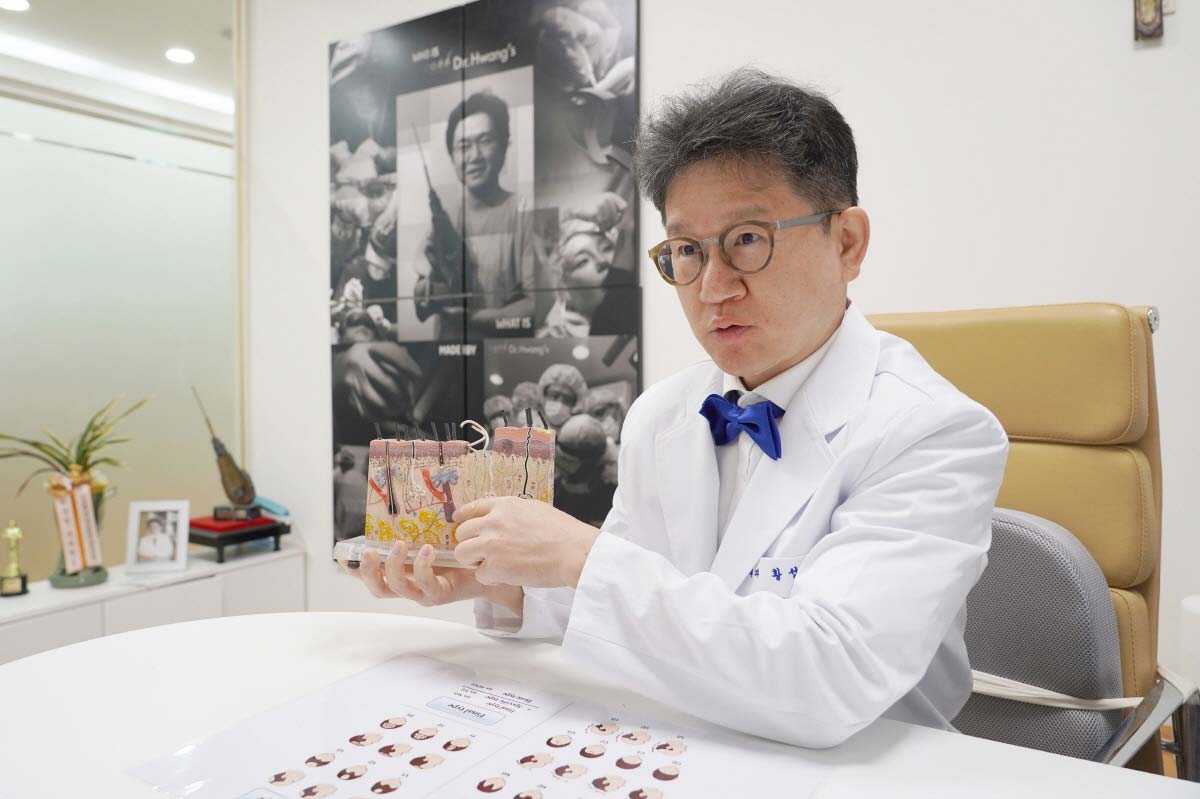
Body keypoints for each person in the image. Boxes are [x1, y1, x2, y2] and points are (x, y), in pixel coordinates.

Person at [345, 69, 1009, 749]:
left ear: (847, 243)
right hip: (688, 743)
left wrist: (580, 555)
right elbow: (641, 602)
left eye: (748, 239)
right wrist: (503, 583)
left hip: (867, 767)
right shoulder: (663, 413)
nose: (713, 287)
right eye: (687, 251)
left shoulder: (935, 431)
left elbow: (826, 678)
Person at [413, 91, 542, 338]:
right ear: (452, 156)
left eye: (485, 141)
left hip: (506, 352)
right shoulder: (445, 218)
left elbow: (535, 306)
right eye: (463, 146)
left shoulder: (524, 212)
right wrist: (424, 287)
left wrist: (471, 318)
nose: (474, 157)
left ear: (504, 146)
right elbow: (423, 268)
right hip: (450, 351)